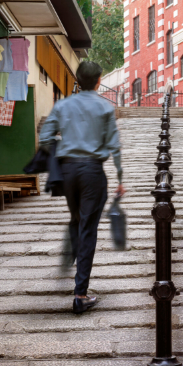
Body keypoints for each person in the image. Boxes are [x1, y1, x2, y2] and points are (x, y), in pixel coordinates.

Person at [39, 61, 125, 313]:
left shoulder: (63, 104)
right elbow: (115, 146)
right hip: (92, 172)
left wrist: (62, 152)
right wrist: (120, 178)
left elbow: (45, 138)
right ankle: (80, 294)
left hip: (68, 172)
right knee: (89, 227)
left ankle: (71, 253)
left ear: (78, 80)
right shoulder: (103, 107)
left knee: (77, 219)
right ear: (99, 80)